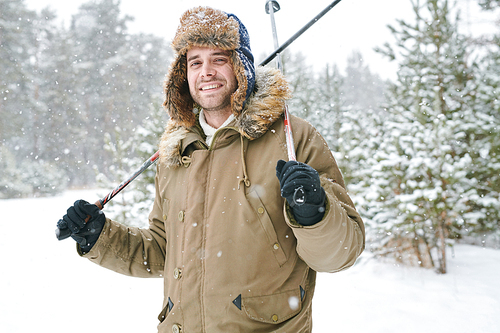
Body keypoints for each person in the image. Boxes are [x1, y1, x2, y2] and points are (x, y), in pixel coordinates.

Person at [56, 6, 365, 333]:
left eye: (219, 59)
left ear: (241, 67)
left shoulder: (293, 138)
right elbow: (163, 251)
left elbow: (339, 256)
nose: (206, 72)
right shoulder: (176, 152)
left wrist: (315, 213)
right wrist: (100, 237)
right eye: (195, 62)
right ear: (183, 74)